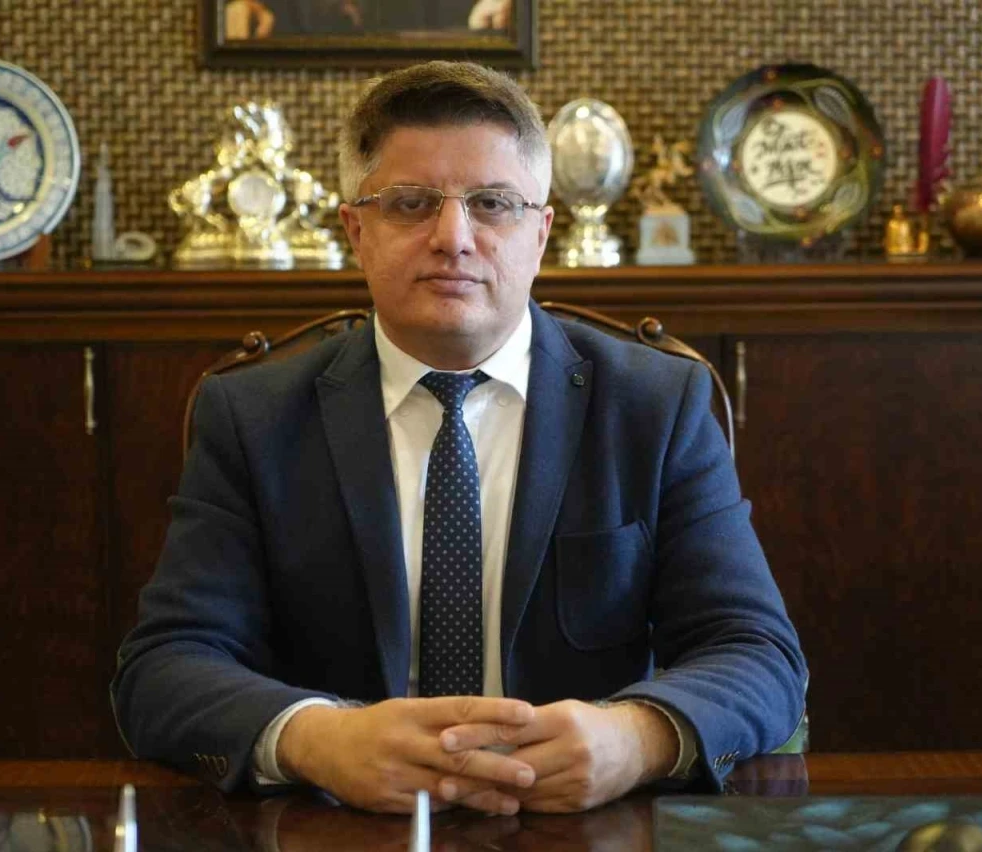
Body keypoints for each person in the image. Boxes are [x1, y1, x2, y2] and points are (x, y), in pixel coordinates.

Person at [112, 61, 806, 816]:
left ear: (540, 233)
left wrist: (637, 738)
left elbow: (758, 654)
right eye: (410, 204)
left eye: (493, 204)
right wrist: (316, 738)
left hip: (583, 823)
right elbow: (164, 667)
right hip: (341, 824)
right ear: (356, 232)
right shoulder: (253, 416)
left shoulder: (657, 405)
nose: (453, 238)